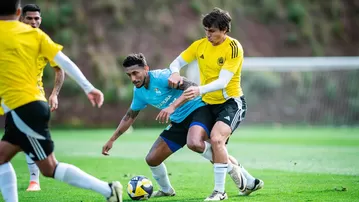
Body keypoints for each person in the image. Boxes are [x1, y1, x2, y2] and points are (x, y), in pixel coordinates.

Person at [0, 1, 122, 202]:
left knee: (49, 167)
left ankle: (109, 190)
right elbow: (64, 61)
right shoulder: (35, 35)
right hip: (29, 107)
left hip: (24, 109)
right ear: (19, 12)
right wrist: (88, 87)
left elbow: (60, 66)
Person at [102, 53, 246, 199]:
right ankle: (166, 190)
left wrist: (172, 105)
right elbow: (129, 116)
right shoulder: (139, 92)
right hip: (178, 121)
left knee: (195, 143)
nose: (133, 78)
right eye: (129, 75)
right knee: (152, 158)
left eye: (135, 73)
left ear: (146, 69)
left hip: (198, 110)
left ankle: (237, 178)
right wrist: (112, 139)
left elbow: (193, 87)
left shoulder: (163, 76)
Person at [167, 7, 264, 201]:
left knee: (217, 140)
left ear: (224, 30)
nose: (208, 34)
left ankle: (220, 192)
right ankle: (247, 179)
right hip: (207, 103)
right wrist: (175, 72)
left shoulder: (234, 48)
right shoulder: (200, 45)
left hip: (231, 103)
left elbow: (223, 82)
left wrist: (199, 89)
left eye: (212, 31)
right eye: (206, 30)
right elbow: (175, 62)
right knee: (194, 143)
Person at [17, 3, 65, 192]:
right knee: (15, 143)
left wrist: (54, 94)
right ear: (21, 18)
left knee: (29, 139)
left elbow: (59, 69)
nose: (34, 22)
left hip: (34, 97)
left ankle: (34, 181)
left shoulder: (44, 42)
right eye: (30, 18)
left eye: (37, 19)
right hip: (10, 97)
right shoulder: (11, 38)